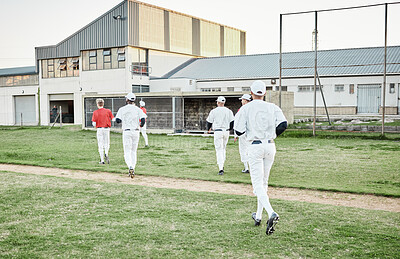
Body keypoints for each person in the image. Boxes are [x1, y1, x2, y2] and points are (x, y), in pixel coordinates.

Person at [234, 80, 287, 235]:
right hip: (270, 145)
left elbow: (237, 131)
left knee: (257, 185)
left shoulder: (246, 108)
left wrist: (252, 130)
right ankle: (258, 216)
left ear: (251, 93)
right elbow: (284, 124)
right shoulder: (272, 107)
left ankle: (271, 213)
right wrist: (272, 134)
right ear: (264, 93)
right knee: (263, 183)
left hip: (255, 145)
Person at [114, 93, 147, 178]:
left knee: (127, 151)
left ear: (127, 100)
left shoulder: (122, 109)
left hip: (127, 131)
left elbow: (118, 120)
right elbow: (143, 120)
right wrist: (140, 126)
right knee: (133, 151)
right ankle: (133, 167)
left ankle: (130, 166)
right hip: (136, 131)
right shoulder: (138, 109)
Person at [206, 96, 234, 175]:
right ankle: (222, 164)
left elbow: (209, 121)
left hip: (218, 131)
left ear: (218, 102)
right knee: (223, 148)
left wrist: (208, 129)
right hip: (226, 131)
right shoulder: (228, 111)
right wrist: (229, 129)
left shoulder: (214, 111)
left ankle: (221, 168)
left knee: (219, 150)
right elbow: (232, 122)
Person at [92, 99, 114, 164]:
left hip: (99, 129)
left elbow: (94, 123)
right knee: (107, 143)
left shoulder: (95, 112)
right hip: (106, 128)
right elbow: (113, 119)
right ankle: (106, 153)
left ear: (97, 104)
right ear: (103, 104)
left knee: (100, 144)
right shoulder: (108, 111)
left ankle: (102, 160)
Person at [234, 94, 252, 174]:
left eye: (242, 100)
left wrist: (236, 134)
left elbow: (237, 121)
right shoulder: (253, 108)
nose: (241, 101)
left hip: (243, 132)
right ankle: (252, 167)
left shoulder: (242, 109)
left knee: (243, 150)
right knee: (251, 150)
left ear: (245, 100)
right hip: (253, 132)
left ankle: (246, 167)